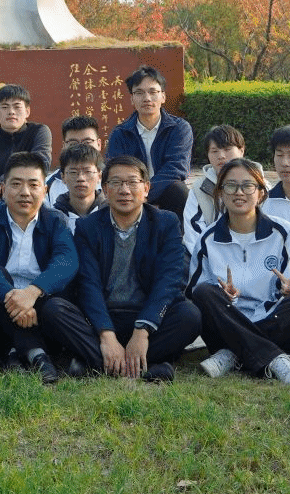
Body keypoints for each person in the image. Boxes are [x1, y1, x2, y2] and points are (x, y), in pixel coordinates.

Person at [55, 157, 203, 382]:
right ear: (105, 189)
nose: (124, 190)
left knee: (190, 316)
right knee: (55, 309)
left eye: (133, 182)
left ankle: (97, 361)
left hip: (146, 314)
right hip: (104, 314)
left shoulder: (166, 223)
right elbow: (88, 284)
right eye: (116, 183)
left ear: (146, 188)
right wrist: (106, 334)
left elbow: (169, 281)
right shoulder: (88, 226)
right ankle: (151, 362)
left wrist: (143, 330)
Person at [190, 158, 290, 386]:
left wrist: (289, 290)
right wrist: (224, 295)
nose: (239, 192)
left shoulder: (283, 232)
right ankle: (275, 358)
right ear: (220, 192)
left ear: (261, 193)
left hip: (271, 316)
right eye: (231, 185)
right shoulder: (208, 239)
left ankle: (232, 355)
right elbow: (196, 289)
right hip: (226, 321)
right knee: (203, 293)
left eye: (247, 186)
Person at [0, 152, 83, 384]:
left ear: (45, 191)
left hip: (38, 302)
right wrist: (13, 297)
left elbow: (67, 260)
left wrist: (33, 292)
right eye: (16, 184)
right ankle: (37, 354)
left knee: (57, 298)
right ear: (3, 189)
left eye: (33, 185)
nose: (25, 192)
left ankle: (12, 352)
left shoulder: (56, 220)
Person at [104, 66, 193, 215]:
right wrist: (136, 193)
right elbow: (115, 170)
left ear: (163, 96)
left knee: (180, 191)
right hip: (130, 192)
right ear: (132, 99)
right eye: (139, 92)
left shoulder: (179, 128)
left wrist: (146, 193)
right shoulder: (120, 133)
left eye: (153, 92)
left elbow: (176, 168)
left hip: (166, 190)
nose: (147, 98)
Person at [0, 84, 52, 195]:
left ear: (27, 111)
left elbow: (40, 163)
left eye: (17, 107)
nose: (11, 112)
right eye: (5, 107)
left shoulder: (39, 132)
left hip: (30, 195)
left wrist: (1, 182)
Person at [182, 125, 249, 245]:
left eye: (227, 149)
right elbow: (193, 235)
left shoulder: (261, 187)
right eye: (214, 151)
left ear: (241, 150)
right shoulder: (199, 189)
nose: (221, 156)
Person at [45, 116, 102, 205]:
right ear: (64, 146)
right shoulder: (48, 184)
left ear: (99, 144)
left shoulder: (113, 180)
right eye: (73, 144)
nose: (81, 148)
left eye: (87, 142)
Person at [50, 141, 106, 227]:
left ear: (99, 176)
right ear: (63, 177)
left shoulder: (112, 214)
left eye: (88, 171)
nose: (81, 178)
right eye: (73, 172)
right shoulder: (52, 219)